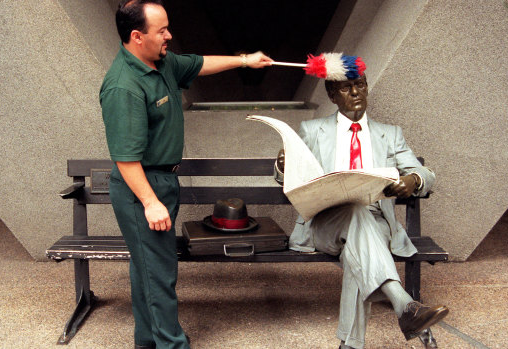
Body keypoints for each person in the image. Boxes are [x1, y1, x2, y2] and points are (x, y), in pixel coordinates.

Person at [99, 1, 272, 348]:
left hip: (163, 181)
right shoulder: (124, 86)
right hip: (142, 187)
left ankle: (148, 341)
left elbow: (200, 62)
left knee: (147, 269)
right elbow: (125, 158)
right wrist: (150, 202)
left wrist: (245, 60)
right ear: (137, 36)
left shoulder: (161, 63)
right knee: (159, 273)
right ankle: (172, 344)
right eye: (161, 30)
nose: (169, 35)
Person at [275, 56, 448, 349]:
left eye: (361, 85)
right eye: (346, 88)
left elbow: (426, 175)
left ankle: (352, 344)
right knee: (356, 218)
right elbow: (286, 177)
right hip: (326, 223)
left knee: (358, 250)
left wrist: (413, 181)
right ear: (331, 94)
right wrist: (283, 165)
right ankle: (404, 304)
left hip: (376, 224)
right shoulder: (313, 130)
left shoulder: (390, 135)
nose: (356, 93)